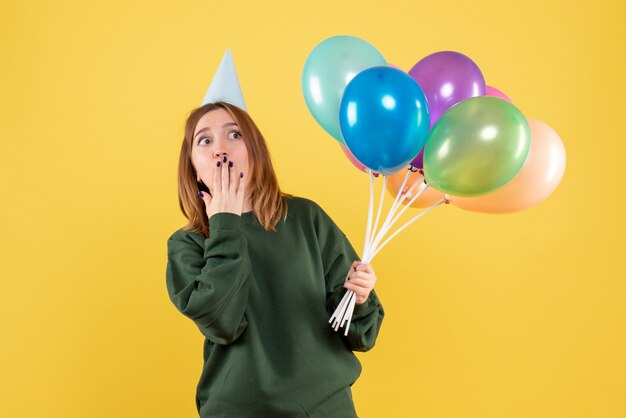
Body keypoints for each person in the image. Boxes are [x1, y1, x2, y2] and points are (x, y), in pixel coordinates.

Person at [165, 101, 384, 417]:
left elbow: (363, 334)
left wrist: (359, 297)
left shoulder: (307, 218)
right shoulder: (187, 244)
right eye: (204, 140)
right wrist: (225, 223)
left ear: (255, 150)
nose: (220, 149)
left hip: (324, 408)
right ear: (192, 166)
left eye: (234, 134)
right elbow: (223, 323)